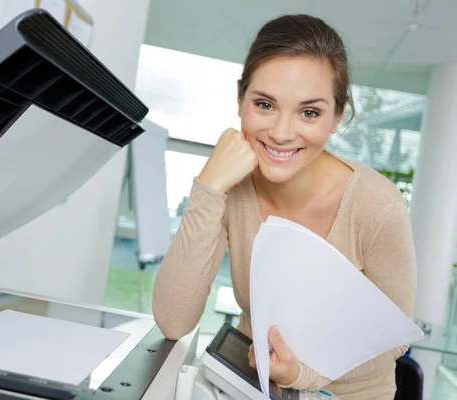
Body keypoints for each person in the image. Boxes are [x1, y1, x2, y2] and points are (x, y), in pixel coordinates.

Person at [152, 14, 417, 400]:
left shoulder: (377, 206)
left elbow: (392, 340)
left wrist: (301, 374)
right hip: (253, 386)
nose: (280, 133)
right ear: (240, 97)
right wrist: (208, 188)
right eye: (264, 104)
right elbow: (174, 321)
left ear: (337, 115)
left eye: (309, 112)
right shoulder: (231, 184)